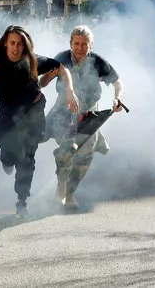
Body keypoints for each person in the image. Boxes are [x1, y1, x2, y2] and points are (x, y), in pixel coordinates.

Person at [0, 25, 79, 217]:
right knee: (5, 145)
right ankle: (6, 158)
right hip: (8, 113)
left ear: (25, 46)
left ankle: (21, 201)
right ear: (6, 43)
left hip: (33, 111)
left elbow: (63, 69)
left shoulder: (34, 61)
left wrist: (70, 92)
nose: (16, 48)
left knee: (27, 159)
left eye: (20, 44)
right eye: (13, 43)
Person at [40, 25, 124, 209]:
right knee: (67, 150)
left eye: (84, 44)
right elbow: (42, 83)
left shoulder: (97, 61)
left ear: (91, 45)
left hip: (89, 113)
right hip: (64, 111)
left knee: (85, 155)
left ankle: (70, 192)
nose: (79, 48)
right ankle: (61, 188)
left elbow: (117, 82)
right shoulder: (61, 58)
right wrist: (48, 76)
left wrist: (117, 98)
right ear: (70, 43)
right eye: (76, 44)